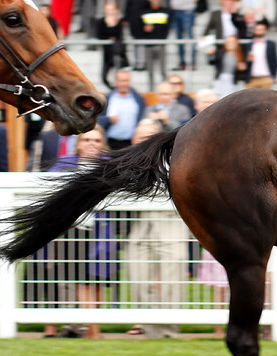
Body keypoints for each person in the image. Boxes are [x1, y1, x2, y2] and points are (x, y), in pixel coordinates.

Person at [123, 119, 189, 339]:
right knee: (139, 276)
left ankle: (169, 330)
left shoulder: (176, 159)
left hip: (171, 223)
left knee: (173, 278)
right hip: (140, 226)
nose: (143, 141)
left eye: (148, 136)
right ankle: (150, 331)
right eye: (139, 137)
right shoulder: (127, 161)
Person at [48, 126, 116, 340]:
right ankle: (91, 330)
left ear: (102, 143)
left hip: (101, 232)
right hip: (73, 232)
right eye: (86, 140)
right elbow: (51, 185)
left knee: (97, 281)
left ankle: (94, 329)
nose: (91, 144)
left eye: (96, 140)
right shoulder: (66, 163)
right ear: (79, 143)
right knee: (81, 280)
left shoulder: (110, 165)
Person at [165, 0, 211, 71]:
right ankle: (182, 63)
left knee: (190, 37)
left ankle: (192, 62)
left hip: (188, 10)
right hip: (175, 10)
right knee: (179, 38)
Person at [99, 70, 145, 150]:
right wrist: (108, 120)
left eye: (126, 80)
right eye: (121, 81)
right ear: (116, 82)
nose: (124, 84)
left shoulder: (138, 99)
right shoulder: (107, 98)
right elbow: (98, 119)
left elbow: (142, 118)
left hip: (131, 143)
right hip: (110, 142)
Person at [138, 0, 172, 88]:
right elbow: (138, 27)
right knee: (150, 71)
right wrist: (144, 29)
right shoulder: (144, 12)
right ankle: (151, 89)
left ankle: (166, 89)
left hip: (161, 44)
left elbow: (166, 28)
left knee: (163, 70)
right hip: (148, 45)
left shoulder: (166, 11)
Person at [96, 3, 127, 89]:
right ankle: (113, 90)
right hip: (107, 53)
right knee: (104, 77)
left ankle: (117, 90)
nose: (109, 12)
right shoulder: (101, 21)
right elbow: (100, 35)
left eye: (111, 9)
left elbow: (118, 35)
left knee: (119, 75)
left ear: (116, 11)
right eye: (107, 9)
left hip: (117, 52)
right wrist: (109, 26)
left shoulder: (119, 21)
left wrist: (112, 25)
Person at [242, 21, 277, 89]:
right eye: (257, 29)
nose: (259, 31)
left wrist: (273, 76)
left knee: (266, 99)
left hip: (266, 78)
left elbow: (274, 61)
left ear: (266, 31)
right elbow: (244, 61)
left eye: (261, 29)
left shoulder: (271, 44)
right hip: (251, 78)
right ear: (254, 31)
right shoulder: (248, 45)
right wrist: (248, 60)